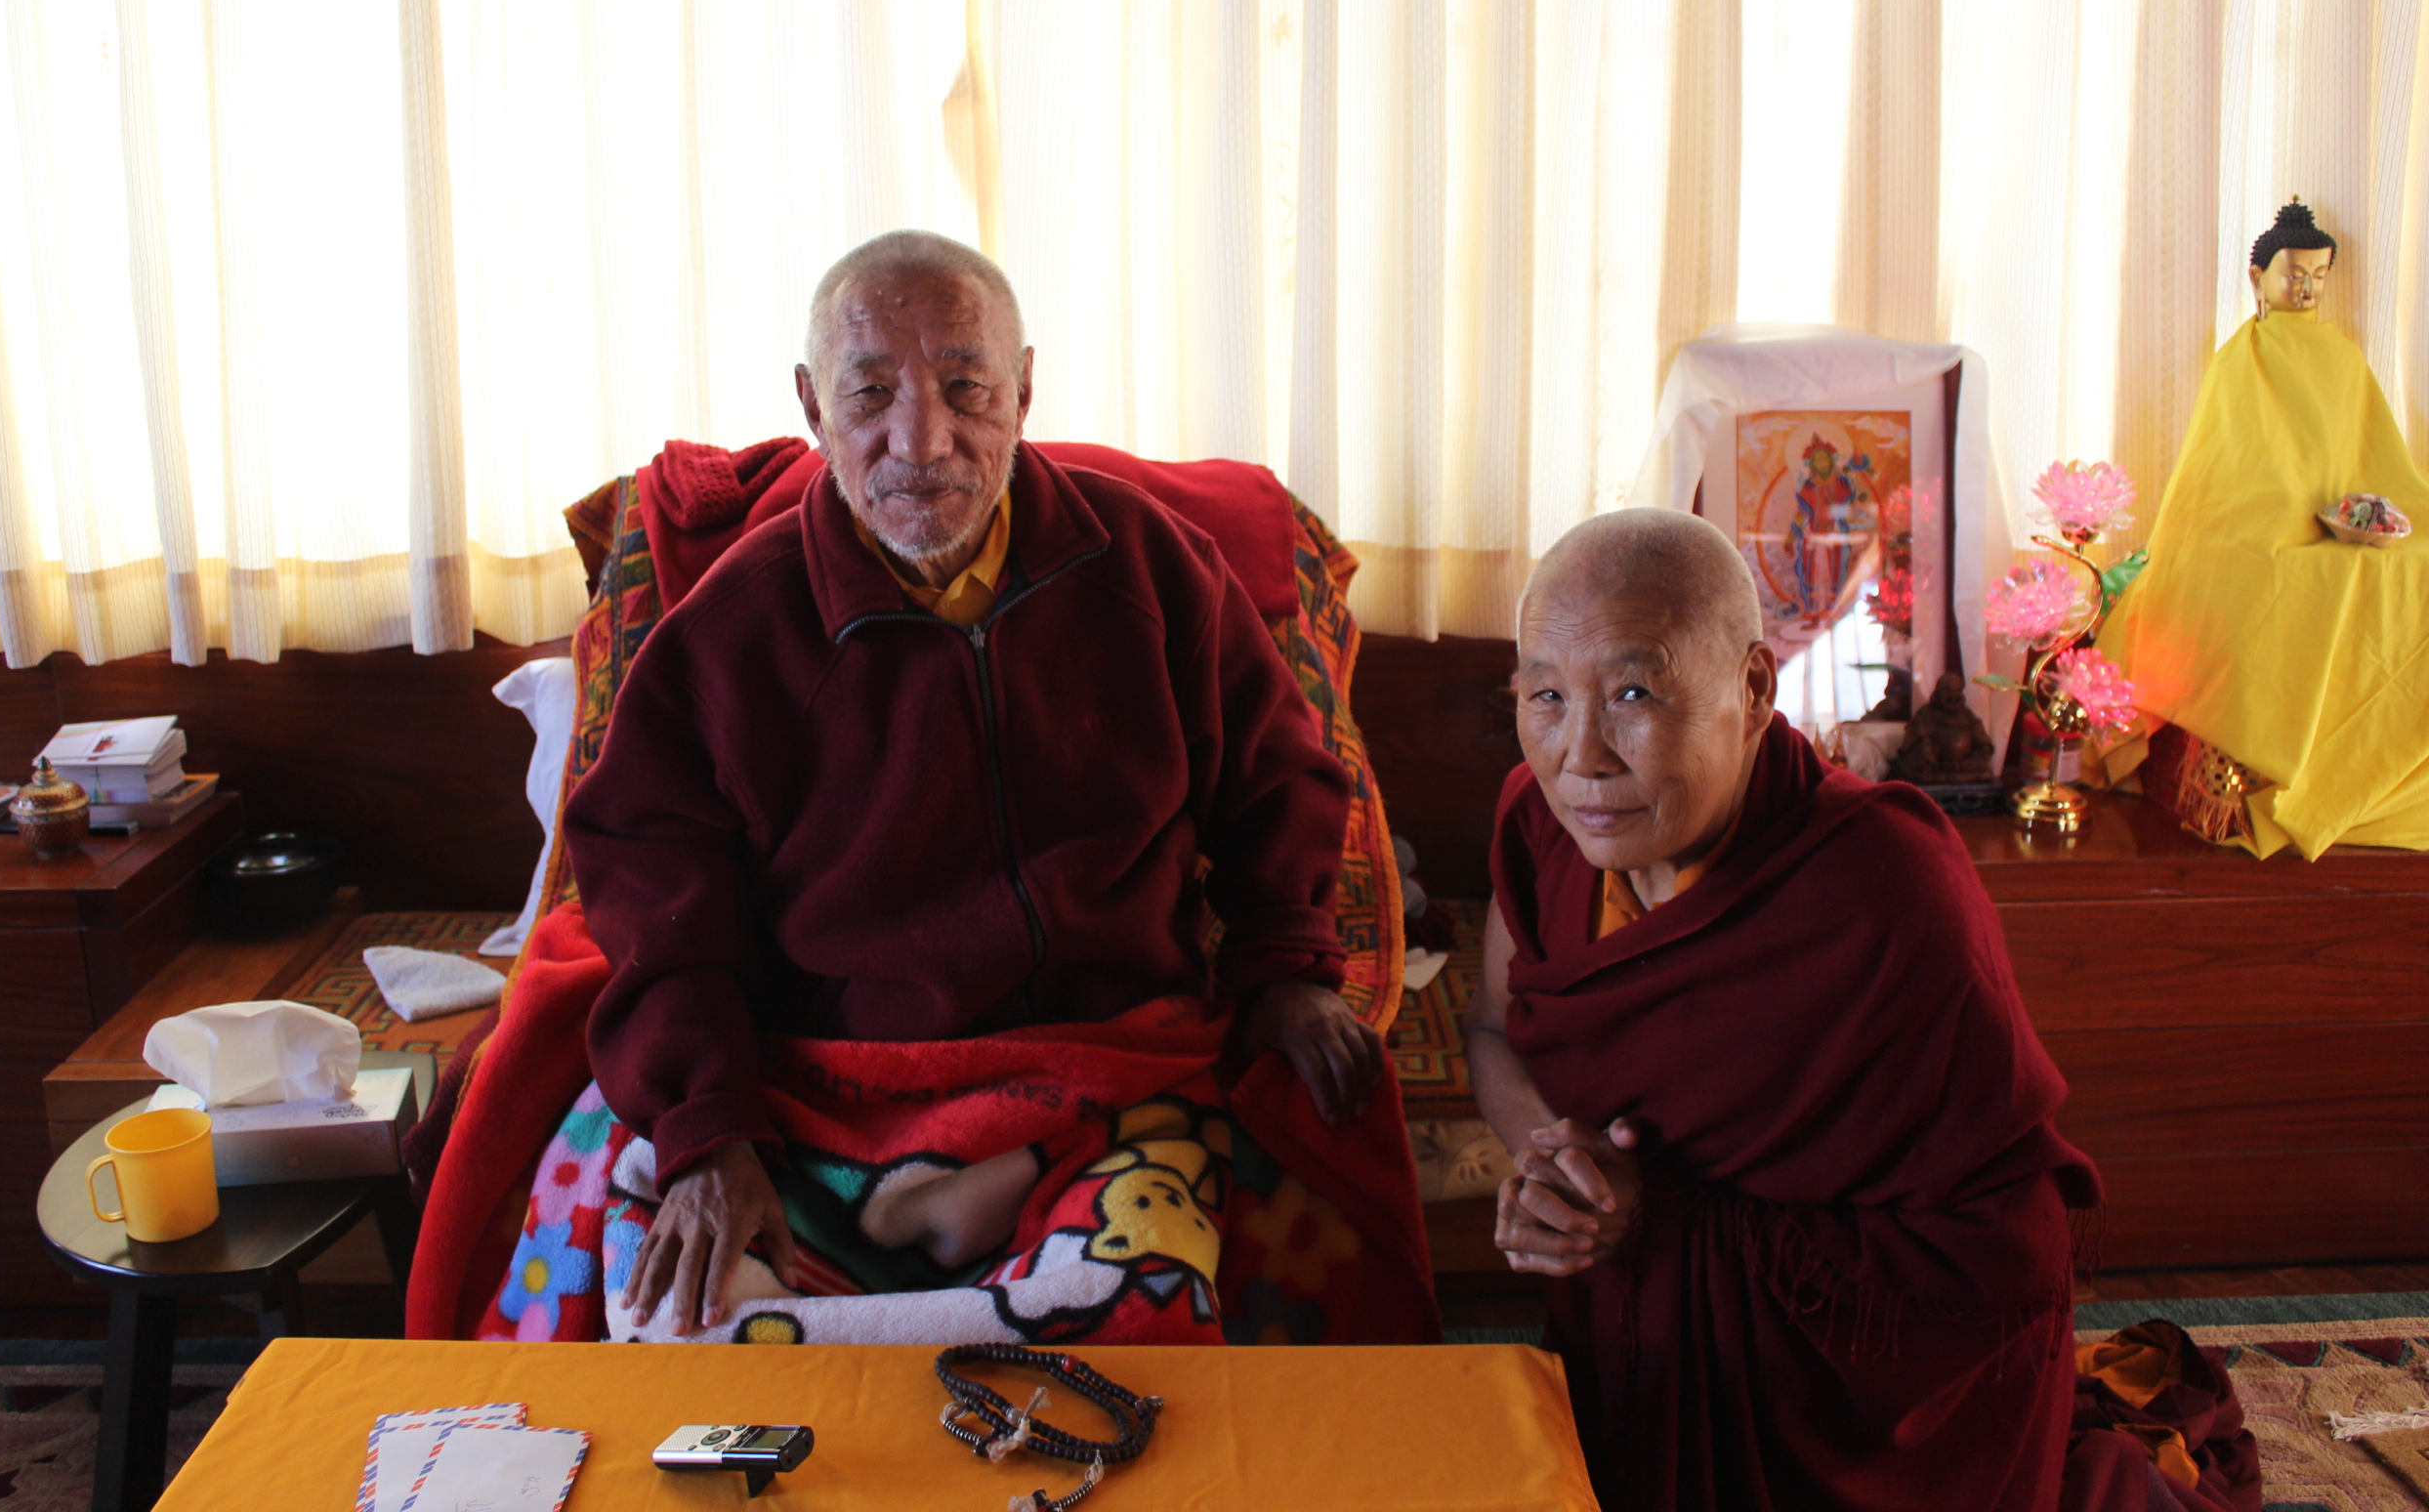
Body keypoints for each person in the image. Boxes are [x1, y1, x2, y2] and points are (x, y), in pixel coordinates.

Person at [564, 230, 1384, 1334]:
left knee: (1132, 1335)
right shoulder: (729, 631)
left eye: (966, 388)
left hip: (1103, 1070)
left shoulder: (1148, 565)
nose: (922, 442)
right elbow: (658, 907)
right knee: (686, 1340)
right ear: (812, 406)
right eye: (871, 395)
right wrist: (708, 1129)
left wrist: (1287, 965)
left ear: (1024, 391)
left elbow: (1275, 776)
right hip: (821, 1088)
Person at [1466, 508, 2101, 1511]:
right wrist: (1564, 1175)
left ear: (1755, 690)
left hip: (1853, 1376)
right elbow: (1494, 1028)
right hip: (1637, 1298)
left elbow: (2000, 1248)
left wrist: (1659, 1210)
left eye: (1633, 692)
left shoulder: (1882, 881)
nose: (1581, 755)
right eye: (1545, 695)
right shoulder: (1542, 822)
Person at [2097, 201, 2429, 857]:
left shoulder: (2343, 357)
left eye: (2319, 276)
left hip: (2341, 520)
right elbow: (2223, 469)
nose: (2306, 288)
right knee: (2267, 574)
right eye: (2293, 274)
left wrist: (2354, 510)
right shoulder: (2238, 360)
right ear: (2258, 278)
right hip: (2253, 525)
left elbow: (2367, 449)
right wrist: (2277, 510)